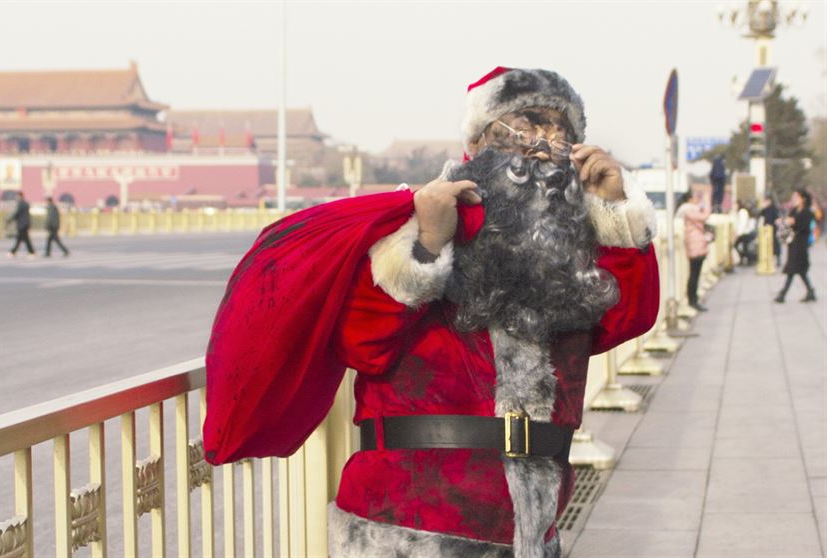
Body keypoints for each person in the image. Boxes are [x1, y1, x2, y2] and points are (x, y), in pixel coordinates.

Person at [204, 66, 660, 557]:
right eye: (525, 125)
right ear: (480, 144)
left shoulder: (570, 252)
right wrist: (426, 244)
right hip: (408, 523)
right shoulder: (424, 219)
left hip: (531, 527)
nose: (543, 143)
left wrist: (616, 211)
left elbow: (625, 318)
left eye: (561, 130)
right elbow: (361, 343)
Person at [775, 189, 816, 303]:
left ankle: (782, 294)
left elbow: (794, 222)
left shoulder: (807, 212)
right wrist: (784, 221)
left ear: (803, 199)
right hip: (793, 243)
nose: (794, 199)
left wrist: (784, 221)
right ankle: (810, 291)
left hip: (801, 244)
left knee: (792, 269)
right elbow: (789, 220)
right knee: (800, 270)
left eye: (796, 197)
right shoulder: (794, 210)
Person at [676, 189, 711, 312]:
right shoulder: (689, 209)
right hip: (695, 246)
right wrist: (707, 200)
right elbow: (705, 216)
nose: (698, 199)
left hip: (696, 245)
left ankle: (693, 299)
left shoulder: (686, 209)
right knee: (694, 274)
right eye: (696, 196)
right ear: (690, 199)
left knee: (695, 274)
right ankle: (693, 300)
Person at [6, 191, 35, 258]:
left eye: (17, 196)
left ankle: (13, 252)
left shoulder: (21, 204)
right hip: (25, 224)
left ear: (20, 196)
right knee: (24, 239)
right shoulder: (25, 203)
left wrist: (9, 220)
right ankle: (31, 252)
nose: (16, 198)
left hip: (22, 224)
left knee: (20, 239)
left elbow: (17, 213)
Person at [759, 193, 782, 266]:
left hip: (773, 229)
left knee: (775, 244)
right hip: (766, 229)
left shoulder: (774, 208)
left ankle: (777, 258)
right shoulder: (765, 209)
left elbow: (777, 218)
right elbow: (760, 215)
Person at [733, 199, 757, 266]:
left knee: (736, 245)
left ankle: (744, 258)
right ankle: (747, 259)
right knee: (744, 247)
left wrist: (737, 235)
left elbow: (742, 225)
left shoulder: (742, 212)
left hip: (746, 233)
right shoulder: (740, 212)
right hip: (744, 233)